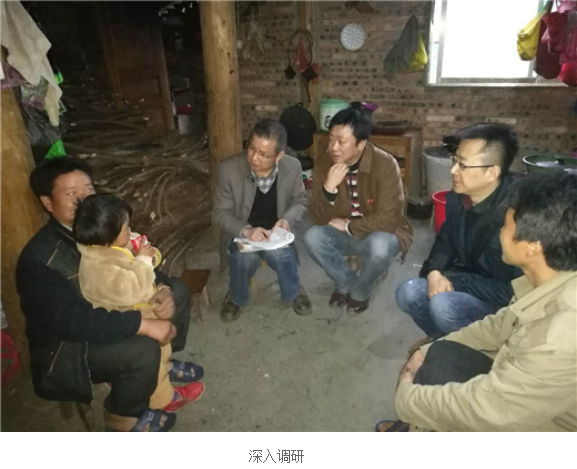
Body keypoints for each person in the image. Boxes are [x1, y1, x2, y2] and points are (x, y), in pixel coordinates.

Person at [378, 174, 577, 432]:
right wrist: (427, 350)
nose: (454, 170)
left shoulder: (559, 336)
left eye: (506, 226)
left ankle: (420, 426)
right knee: (439, 356)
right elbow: (498, 325)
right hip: (520, 378)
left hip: (542, 428)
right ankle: (421, 422)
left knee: (438, 385)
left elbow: (493, 410)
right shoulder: (548, 278)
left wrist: (406, 399)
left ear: (532, 247)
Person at [16, 158, 201, 432]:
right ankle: (122, 418)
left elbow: (138, 262)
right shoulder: (41, 259)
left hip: (116, 308)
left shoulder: (103, 226)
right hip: (69, 347)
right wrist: (142, 325)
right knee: (142, 348)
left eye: (88, 190)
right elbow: (71, 322)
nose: (83, 200)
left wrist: (163, 290)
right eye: (71, 194)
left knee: (179, 291)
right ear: (47, 202)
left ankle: (163, 364)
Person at [73, 194, 204, 414]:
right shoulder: (98, 268)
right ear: (108, 236)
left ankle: (164, 367)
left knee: (163, 347)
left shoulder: (115, 243)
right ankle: (164, 398)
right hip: (126, 320)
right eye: (126, 228)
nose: (130, 230)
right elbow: (132, 290)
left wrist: (150, 254)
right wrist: (143, 260)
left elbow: (149, 260)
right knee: (153, 352)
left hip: (142, 308)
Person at [396, 123, 523, 343]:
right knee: (407, 293)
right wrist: (434, 271)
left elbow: (517, 290)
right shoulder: (459, 198)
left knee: (444, 305)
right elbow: (445, 242)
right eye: (454, 161)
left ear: (492, 172)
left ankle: (478, 350)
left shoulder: (518, 214)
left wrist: (458, 283)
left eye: (463, 165)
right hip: (470, 280)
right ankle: (445, 341)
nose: (453, 170)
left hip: (505, 304)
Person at [304, 108, 413, 315]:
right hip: (344, 233)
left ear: (361, 144)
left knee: (380, 247)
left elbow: (389, 219)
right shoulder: (324, 164)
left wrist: (348, 226)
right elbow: (317, 217)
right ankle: (345, 282)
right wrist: (329, 188)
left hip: (380, 232)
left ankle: (361, 290)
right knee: (312, 237)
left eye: (342, 141)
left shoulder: (385, 164)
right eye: (331, 139)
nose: (334, 147)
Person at [212, 119, 311, 322]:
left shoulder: (292, 166)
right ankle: (236, 295)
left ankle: (294, 290)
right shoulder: (229, 168)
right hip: (242, 234)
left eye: (264, 155)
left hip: (276, 235)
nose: (254, 158)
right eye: (251, 148)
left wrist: (286, 220)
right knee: (243, 258)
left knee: (282, 256)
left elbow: (300, 201)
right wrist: (246, 230)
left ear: (279, 155)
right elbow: (220, 212)